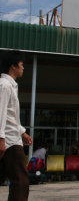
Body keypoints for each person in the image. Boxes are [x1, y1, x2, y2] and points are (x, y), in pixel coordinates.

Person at [0, 50, 33, 201]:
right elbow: (0, 113)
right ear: (13, 66)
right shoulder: (5, 85)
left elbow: (10, 116)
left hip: (12, 138)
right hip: (9, 142)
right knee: (21, 181)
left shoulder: (10, 85)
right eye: (21, 65)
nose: (23, 68)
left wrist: (22, 132)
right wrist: (1, 139)